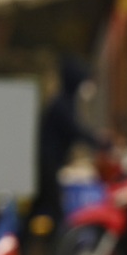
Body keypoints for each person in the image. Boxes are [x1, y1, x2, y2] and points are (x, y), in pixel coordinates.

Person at [34, 57, 105, 238]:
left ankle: (28, 249)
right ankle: (57, 253)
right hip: (48, 162)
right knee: (54, 208)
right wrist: (100, 141)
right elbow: (74, 130)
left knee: (41, 206)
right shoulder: (61, 104)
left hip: (51, 162)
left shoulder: (65, 102)